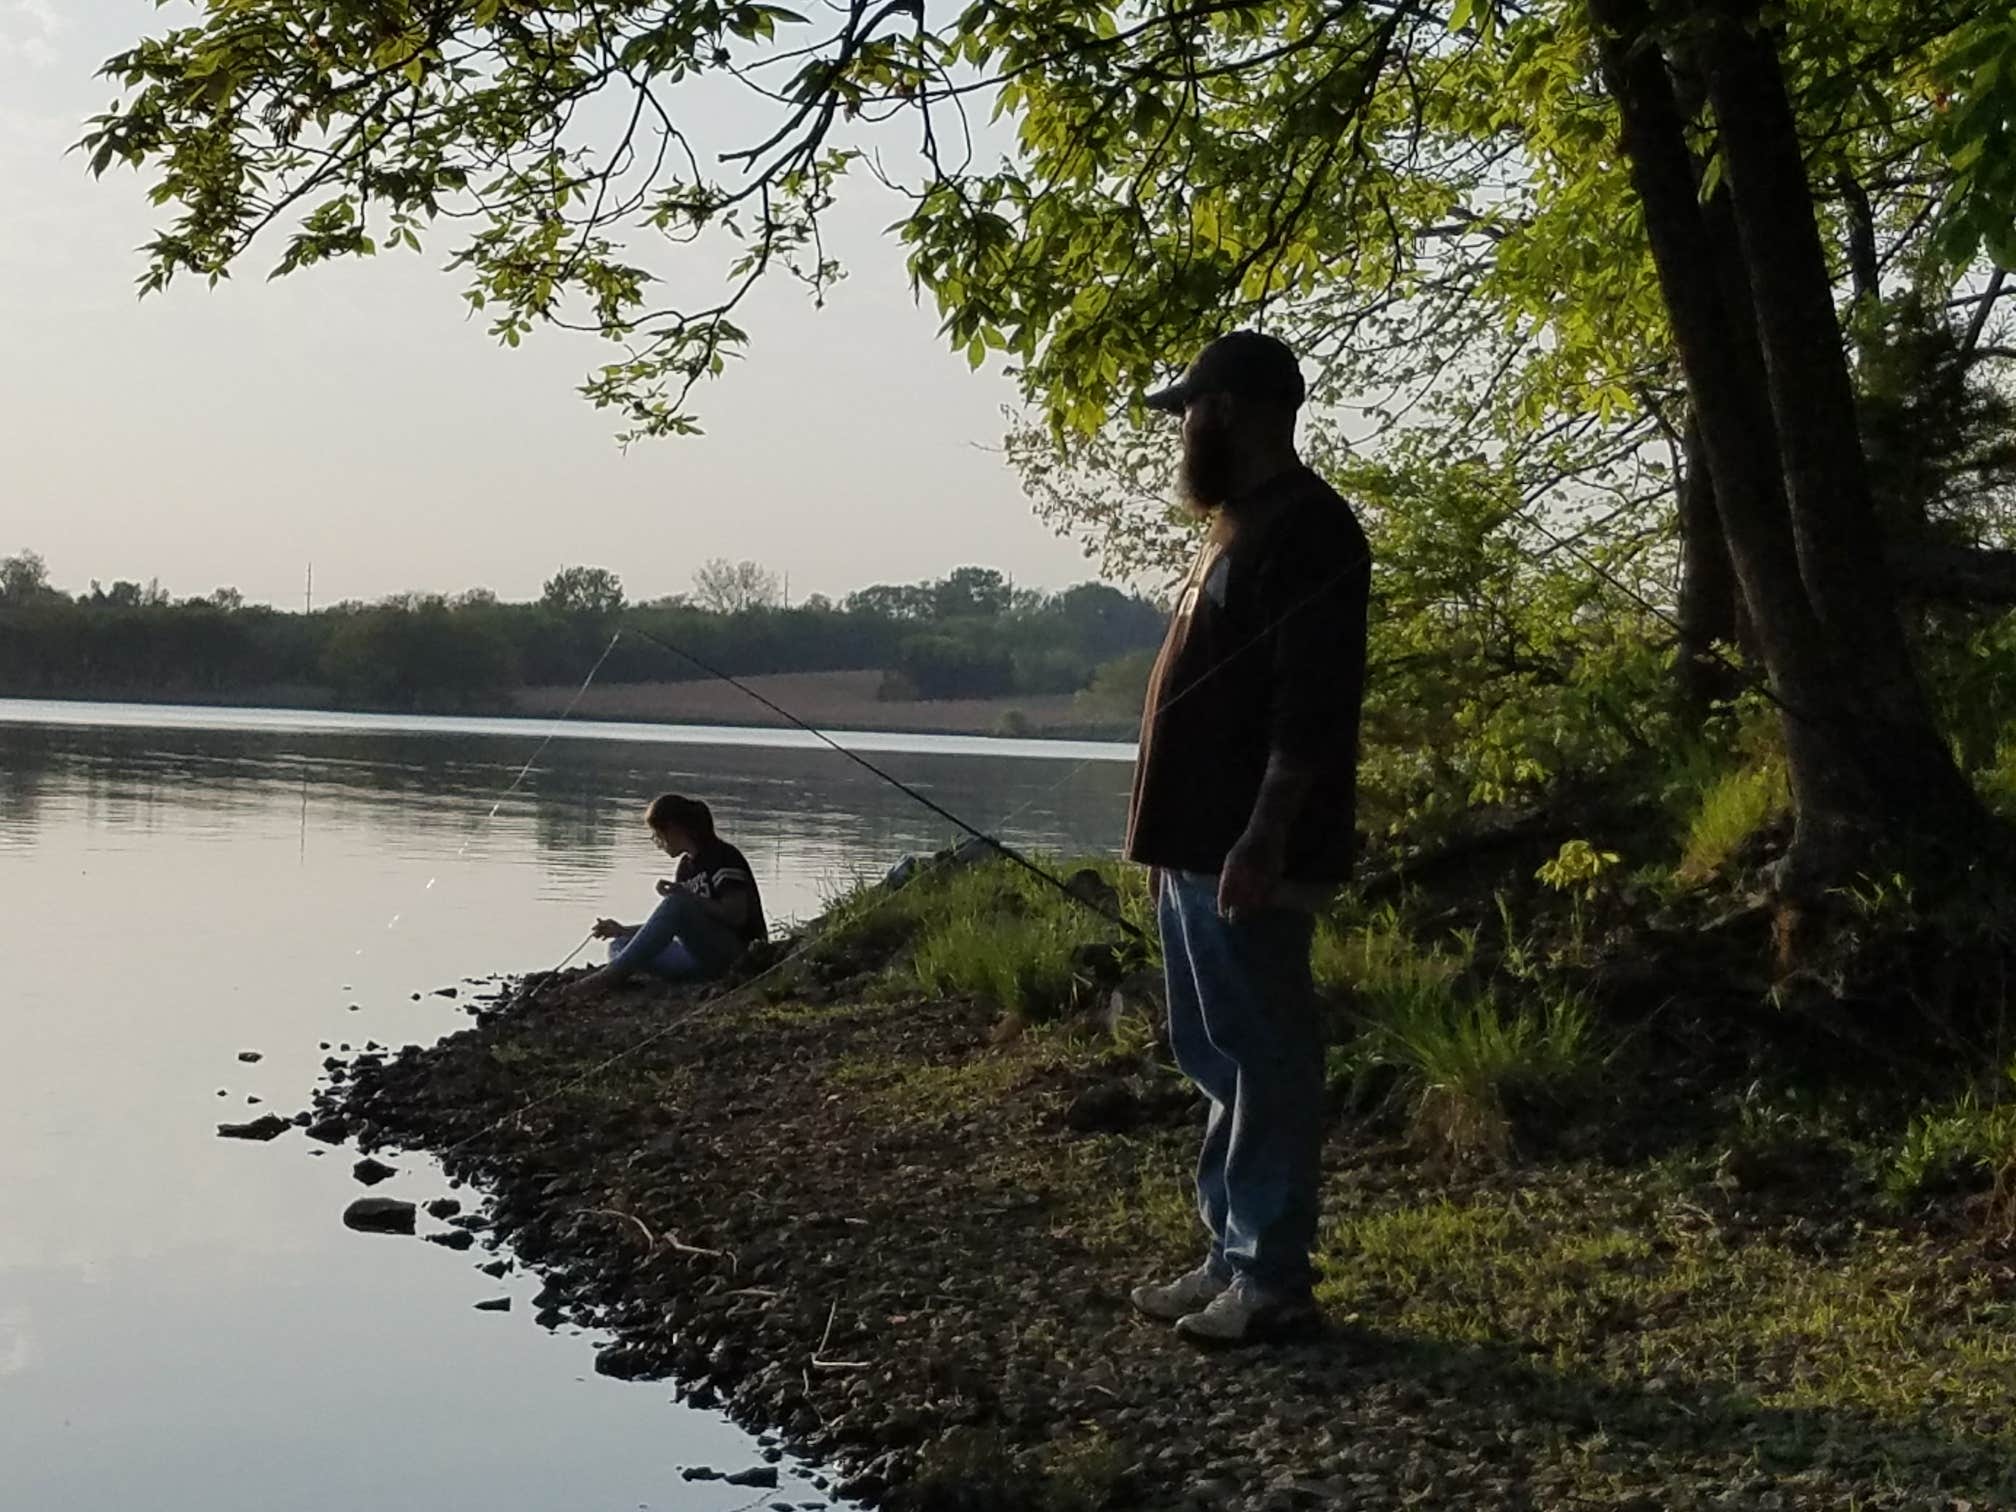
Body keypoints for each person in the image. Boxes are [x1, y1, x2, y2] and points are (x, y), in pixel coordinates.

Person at [1124, 331, 1370, 1346]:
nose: (1182, 428)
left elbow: (1313, 704)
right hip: (1192, 843)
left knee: (1263, 1053)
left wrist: (1266, 834)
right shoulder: (1234, 525)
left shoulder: (1310, 530)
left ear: (1227, 410)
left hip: (1246, 848)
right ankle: (1232, 1254)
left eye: (1189, 409)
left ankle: (1273, 1278)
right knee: (1213, 1049)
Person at [573, 794, 767, 991]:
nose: (656, 840)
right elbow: (673, 926)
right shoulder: (685, 867)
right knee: (619, 944)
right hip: (698, 957)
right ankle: (631, 971)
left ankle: (611, 976)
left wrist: (687, 897)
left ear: (674, 829)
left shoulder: (723, 856)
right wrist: (622, 929)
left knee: (676, 904)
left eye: (657, 834)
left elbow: (736, 916)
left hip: (735, 954)